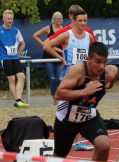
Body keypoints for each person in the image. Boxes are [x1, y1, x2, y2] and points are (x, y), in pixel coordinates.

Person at [39, 42, 119, 162]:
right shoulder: (78, 71)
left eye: (104, 62)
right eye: (97, 61)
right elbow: (58, 94)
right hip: (67, 117)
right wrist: (85, 91)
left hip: (88, 115)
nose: (101, 66)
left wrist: (109, 82)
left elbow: (110, 81)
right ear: (88, 59)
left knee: (104, 145)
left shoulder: (109, 72)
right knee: (60, 154)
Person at [44, 8, 96, 151]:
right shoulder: (68, 35)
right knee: (63, 110)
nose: (83, 23)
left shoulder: (89, 37)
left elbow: (92, 55)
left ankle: (78, 142)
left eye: (85, 20)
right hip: (69, 78)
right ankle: (60, 140)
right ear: (74, 20)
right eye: (80, 21)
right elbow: (47, 45)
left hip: (84, 77)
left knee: (80, 108)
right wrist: (62, 58)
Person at [33, 11, 64, 104]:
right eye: (57, 18)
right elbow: (35, 35)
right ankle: (54, 98)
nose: (59, 20)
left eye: (61, 19)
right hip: (49, 55)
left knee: (60, 78)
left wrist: (61, 51)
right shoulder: (48, 28)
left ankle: (60, 97)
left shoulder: (64, 29)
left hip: (59, 57)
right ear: (53, 19)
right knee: (52, 78)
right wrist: (43, 44)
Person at [0, 9, 29, 108]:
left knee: (21, 76)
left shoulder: (16, 30)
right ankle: (17, 100)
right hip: (4, 58)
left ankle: (18, 100)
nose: (9, 20)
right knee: (12, 79)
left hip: (15, 57)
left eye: (11, 19)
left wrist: (18, 54)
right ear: (3, 19)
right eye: (8, 18)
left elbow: (22, 43)